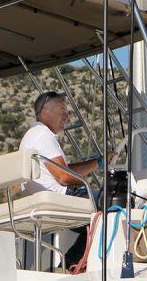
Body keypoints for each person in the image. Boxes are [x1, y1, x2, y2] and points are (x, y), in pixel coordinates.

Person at [19, 92, 104, 269]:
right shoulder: (43, 134)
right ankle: (70, 265)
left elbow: (63, 171)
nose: (66, 116)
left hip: (45, 197)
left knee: (100, 220)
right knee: (117, 208)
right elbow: (64, 178)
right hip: (61, 197)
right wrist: (88, 184)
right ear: (45, 112)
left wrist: (98, 163)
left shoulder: (33, 135)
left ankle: (69, 265)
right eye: (62, 110)